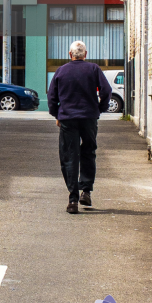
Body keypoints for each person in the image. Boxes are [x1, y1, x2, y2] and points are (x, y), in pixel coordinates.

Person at [47, 40, 113, 214]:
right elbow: (107, 91)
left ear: (70, 55)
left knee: (69, 156)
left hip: (68, 119)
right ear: (85, 54)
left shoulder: (61, 71)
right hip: (89, 117)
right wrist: (99, 109)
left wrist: (57, 115)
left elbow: (51, 96)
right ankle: (86, 191)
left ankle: (73, 199)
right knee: (88, 152)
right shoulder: (93, 69)